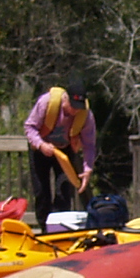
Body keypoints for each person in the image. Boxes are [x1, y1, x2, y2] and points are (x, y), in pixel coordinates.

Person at [23, 82, 95, 223]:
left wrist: (88, 169)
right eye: (72, 106)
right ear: (65, 98)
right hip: (41, 148)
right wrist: (41, 145)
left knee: (63, 192)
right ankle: (44, 229)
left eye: (78, 108)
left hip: (65, 151)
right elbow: (30, 127)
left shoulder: (86, 115)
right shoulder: (46, 102)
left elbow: (89, 144)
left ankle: (58, 228)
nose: (74, 111)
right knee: (41, 192)